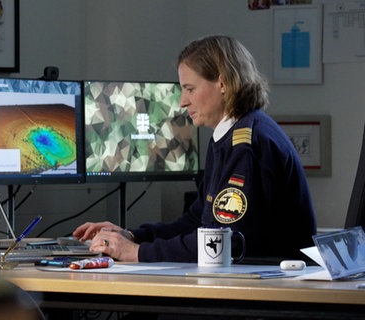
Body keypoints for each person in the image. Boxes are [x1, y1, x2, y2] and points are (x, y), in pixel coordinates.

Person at [73, 35, 317, 263]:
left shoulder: (247, 145)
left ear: (222, 83)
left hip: (264, 290)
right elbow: (196, 222)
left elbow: (221, 241)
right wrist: (132, 236)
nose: (182, 101)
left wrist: (138, 253)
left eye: (190, 89)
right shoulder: (227, 137)